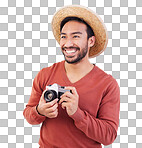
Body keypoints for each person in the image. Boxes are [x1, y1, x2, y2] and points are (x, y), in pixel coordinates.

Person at [23, 5, 120, 148]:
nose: (68, 43)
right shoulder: (45, 74)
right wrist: (39, 110)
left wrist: (77, 114)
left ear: (91, 41)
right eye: (64, 37)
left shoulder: (107, 84)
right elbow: (29, 115)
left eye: (75, 36)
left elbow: (108, 136)